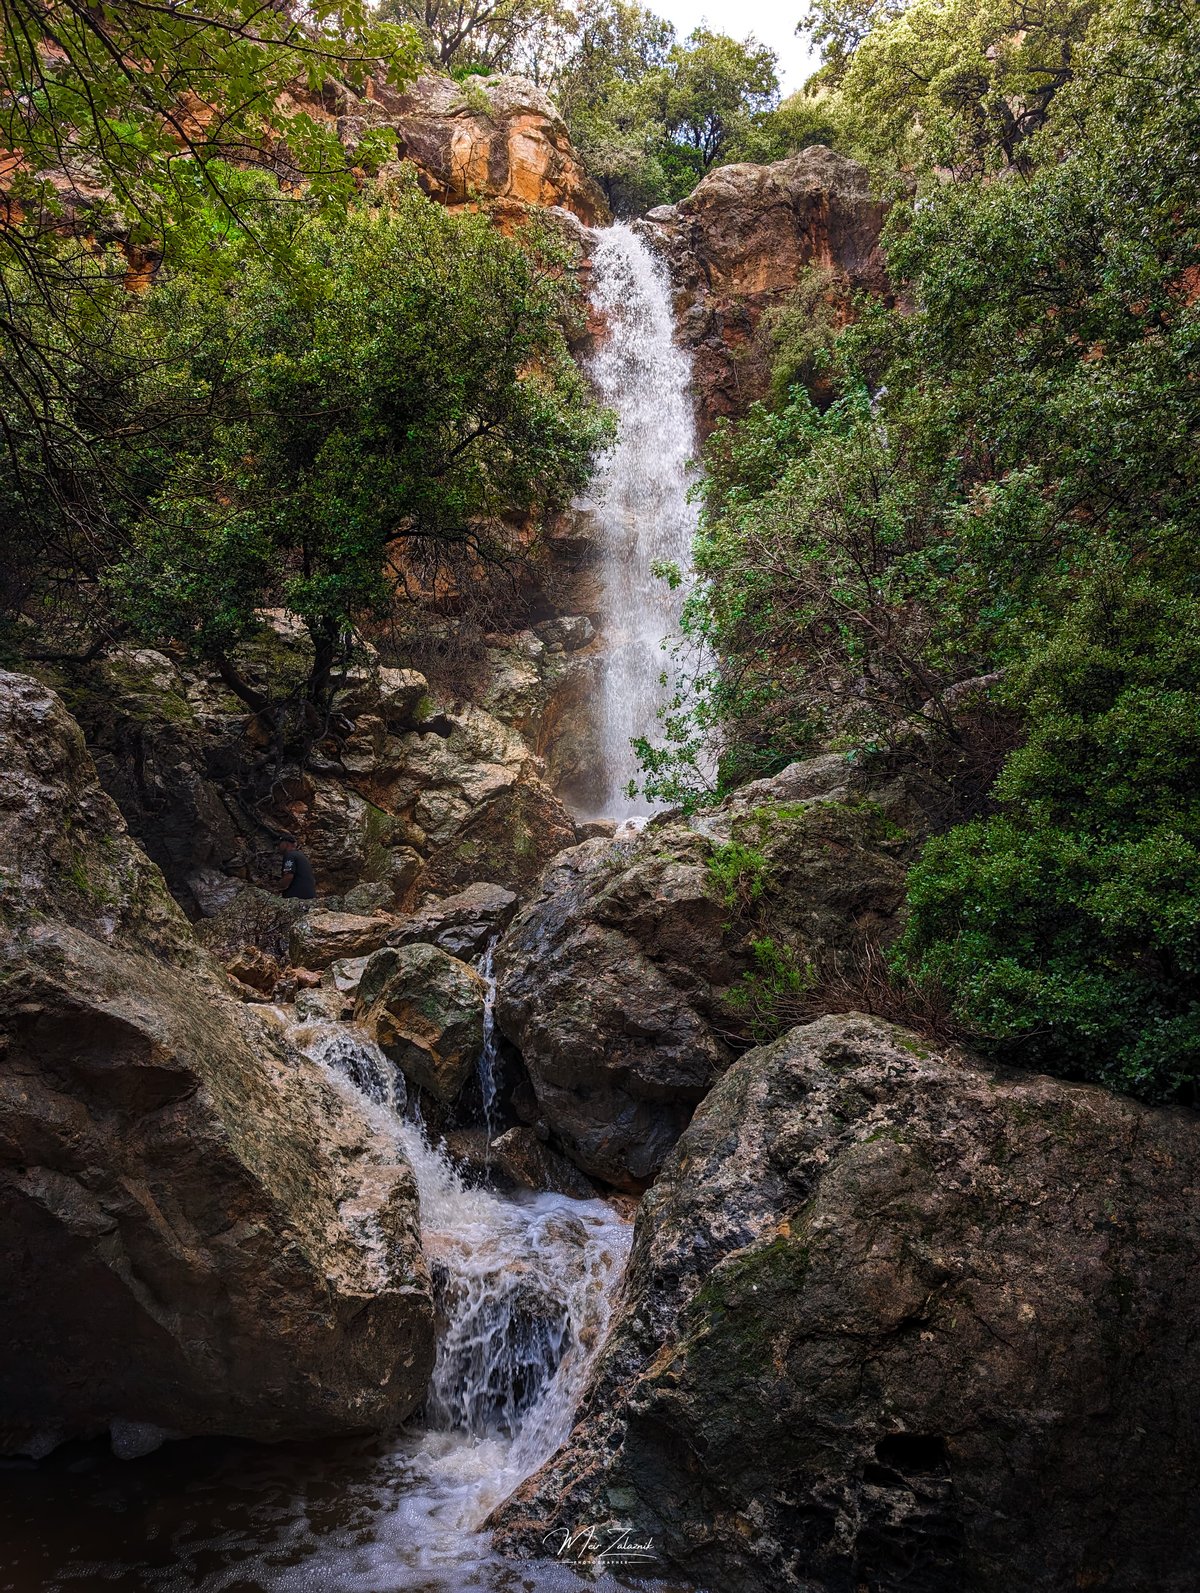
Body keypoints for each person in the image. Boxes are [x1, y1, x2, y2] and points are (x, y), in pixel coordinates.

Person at [277, 834, 316, 900]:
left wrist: (278, 887)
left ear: (286, 844)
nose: (278, 846)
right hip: (309, 896)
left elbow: (288, 876)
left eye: (280, 844)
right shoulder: (301, 856)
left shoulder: (289, 855)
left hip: (296, 896)